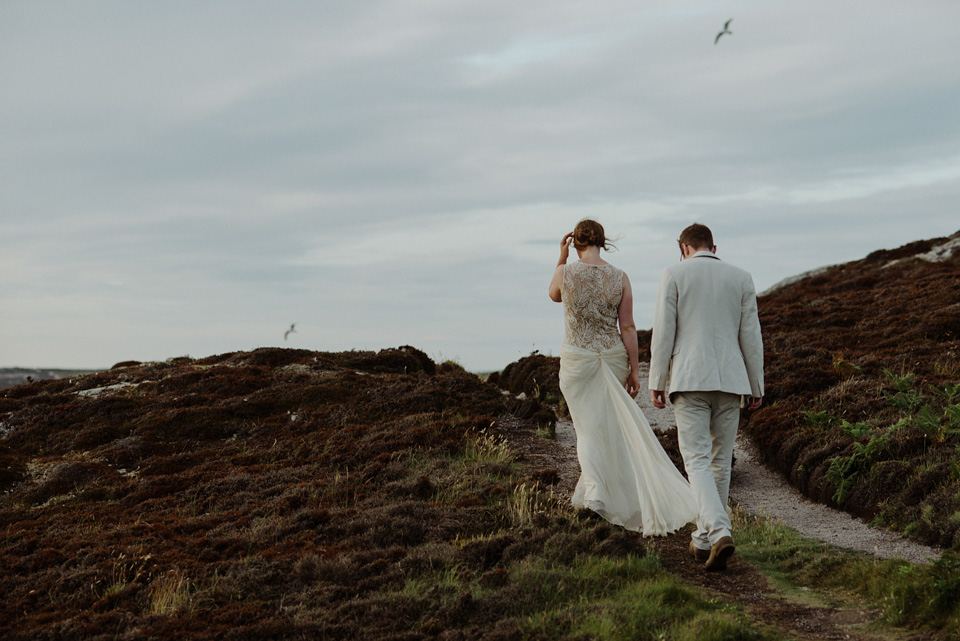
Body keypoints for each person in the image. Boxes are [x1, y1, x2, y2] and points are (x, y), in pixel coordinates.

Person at [548, 219, 697, 536]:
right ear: (603, 242)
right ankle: (606, 490)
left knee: (588, 429)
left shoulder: (565, 272)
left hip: (577, 360)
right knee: (608, 428)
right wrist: (634, 368)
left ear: (576, 243)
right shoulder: (620, 277)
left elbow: (554, 296)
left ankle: (598, 495)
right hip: (612, 355)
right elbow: (627, 327)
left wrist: (561, 257)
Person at [649, 223, 764, 571]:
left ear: (683, 247)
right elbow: (751, 336)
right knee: (719, 460)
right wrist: (756, 385)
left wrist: (657, 379)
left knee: (696, 460)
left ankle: (718, 531)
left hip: (690, 379)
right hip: (731, 380)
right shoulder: (741, 277)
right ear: (714, 246)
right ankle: (702, 541)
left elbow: (664, 331)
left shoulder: (673, 274)